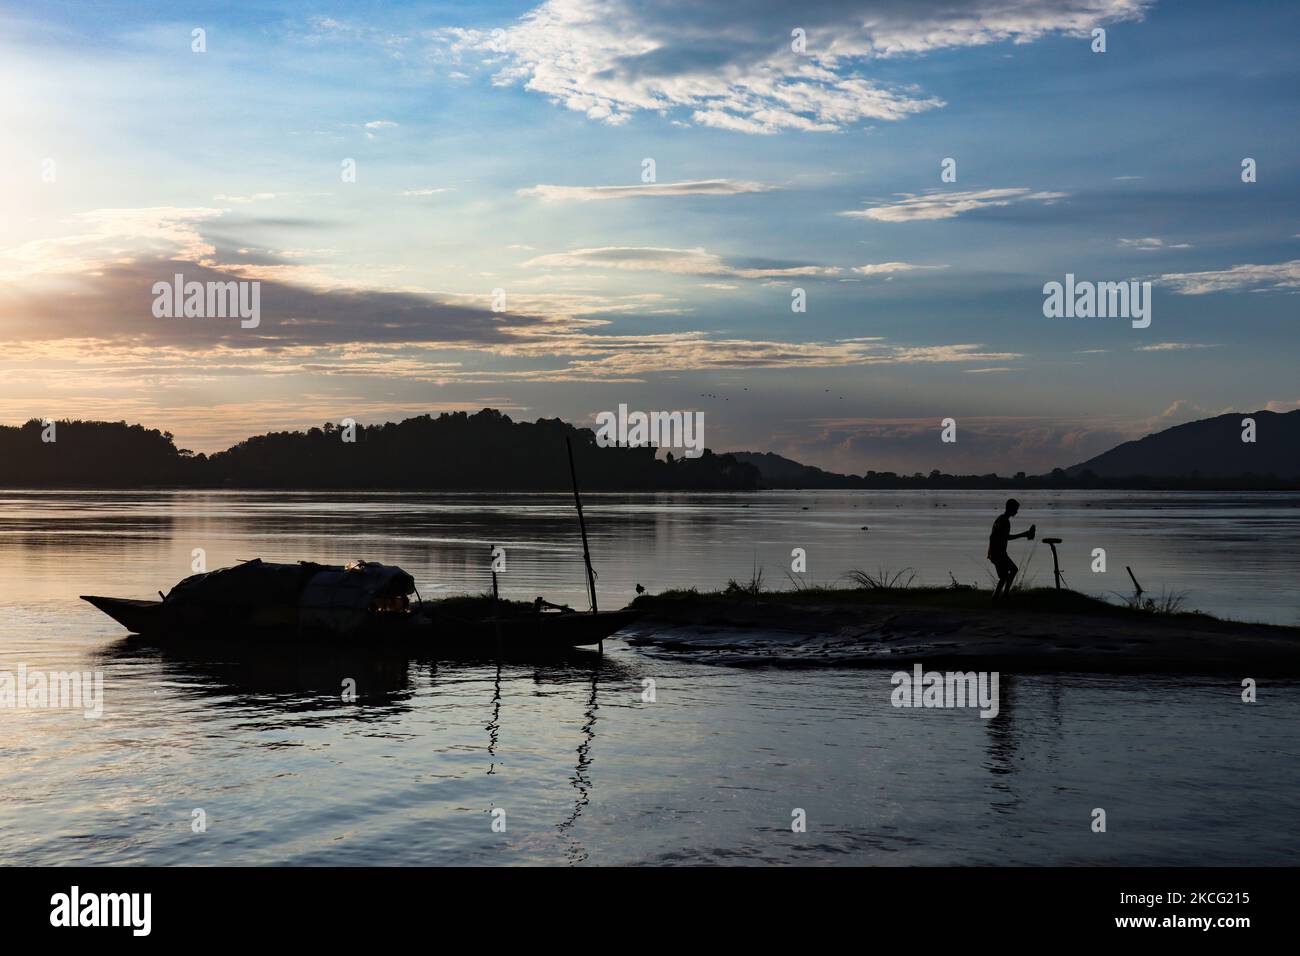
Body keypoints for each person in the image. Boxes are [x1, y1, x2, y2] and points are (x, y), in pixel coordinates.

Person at [989, 498, 1034, 601]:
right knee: (1007, 574)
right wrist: (1024, 534)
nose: (1017, 512)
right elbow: (1006, 537)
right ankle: (1000, 596)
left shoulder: (1001, 519)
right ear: (1010, 508)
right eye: (1016, 509)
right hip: (998, 553)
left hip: (998, 552)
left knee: (1006, 575)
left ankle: (999, 596)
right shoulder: (1004, 521)